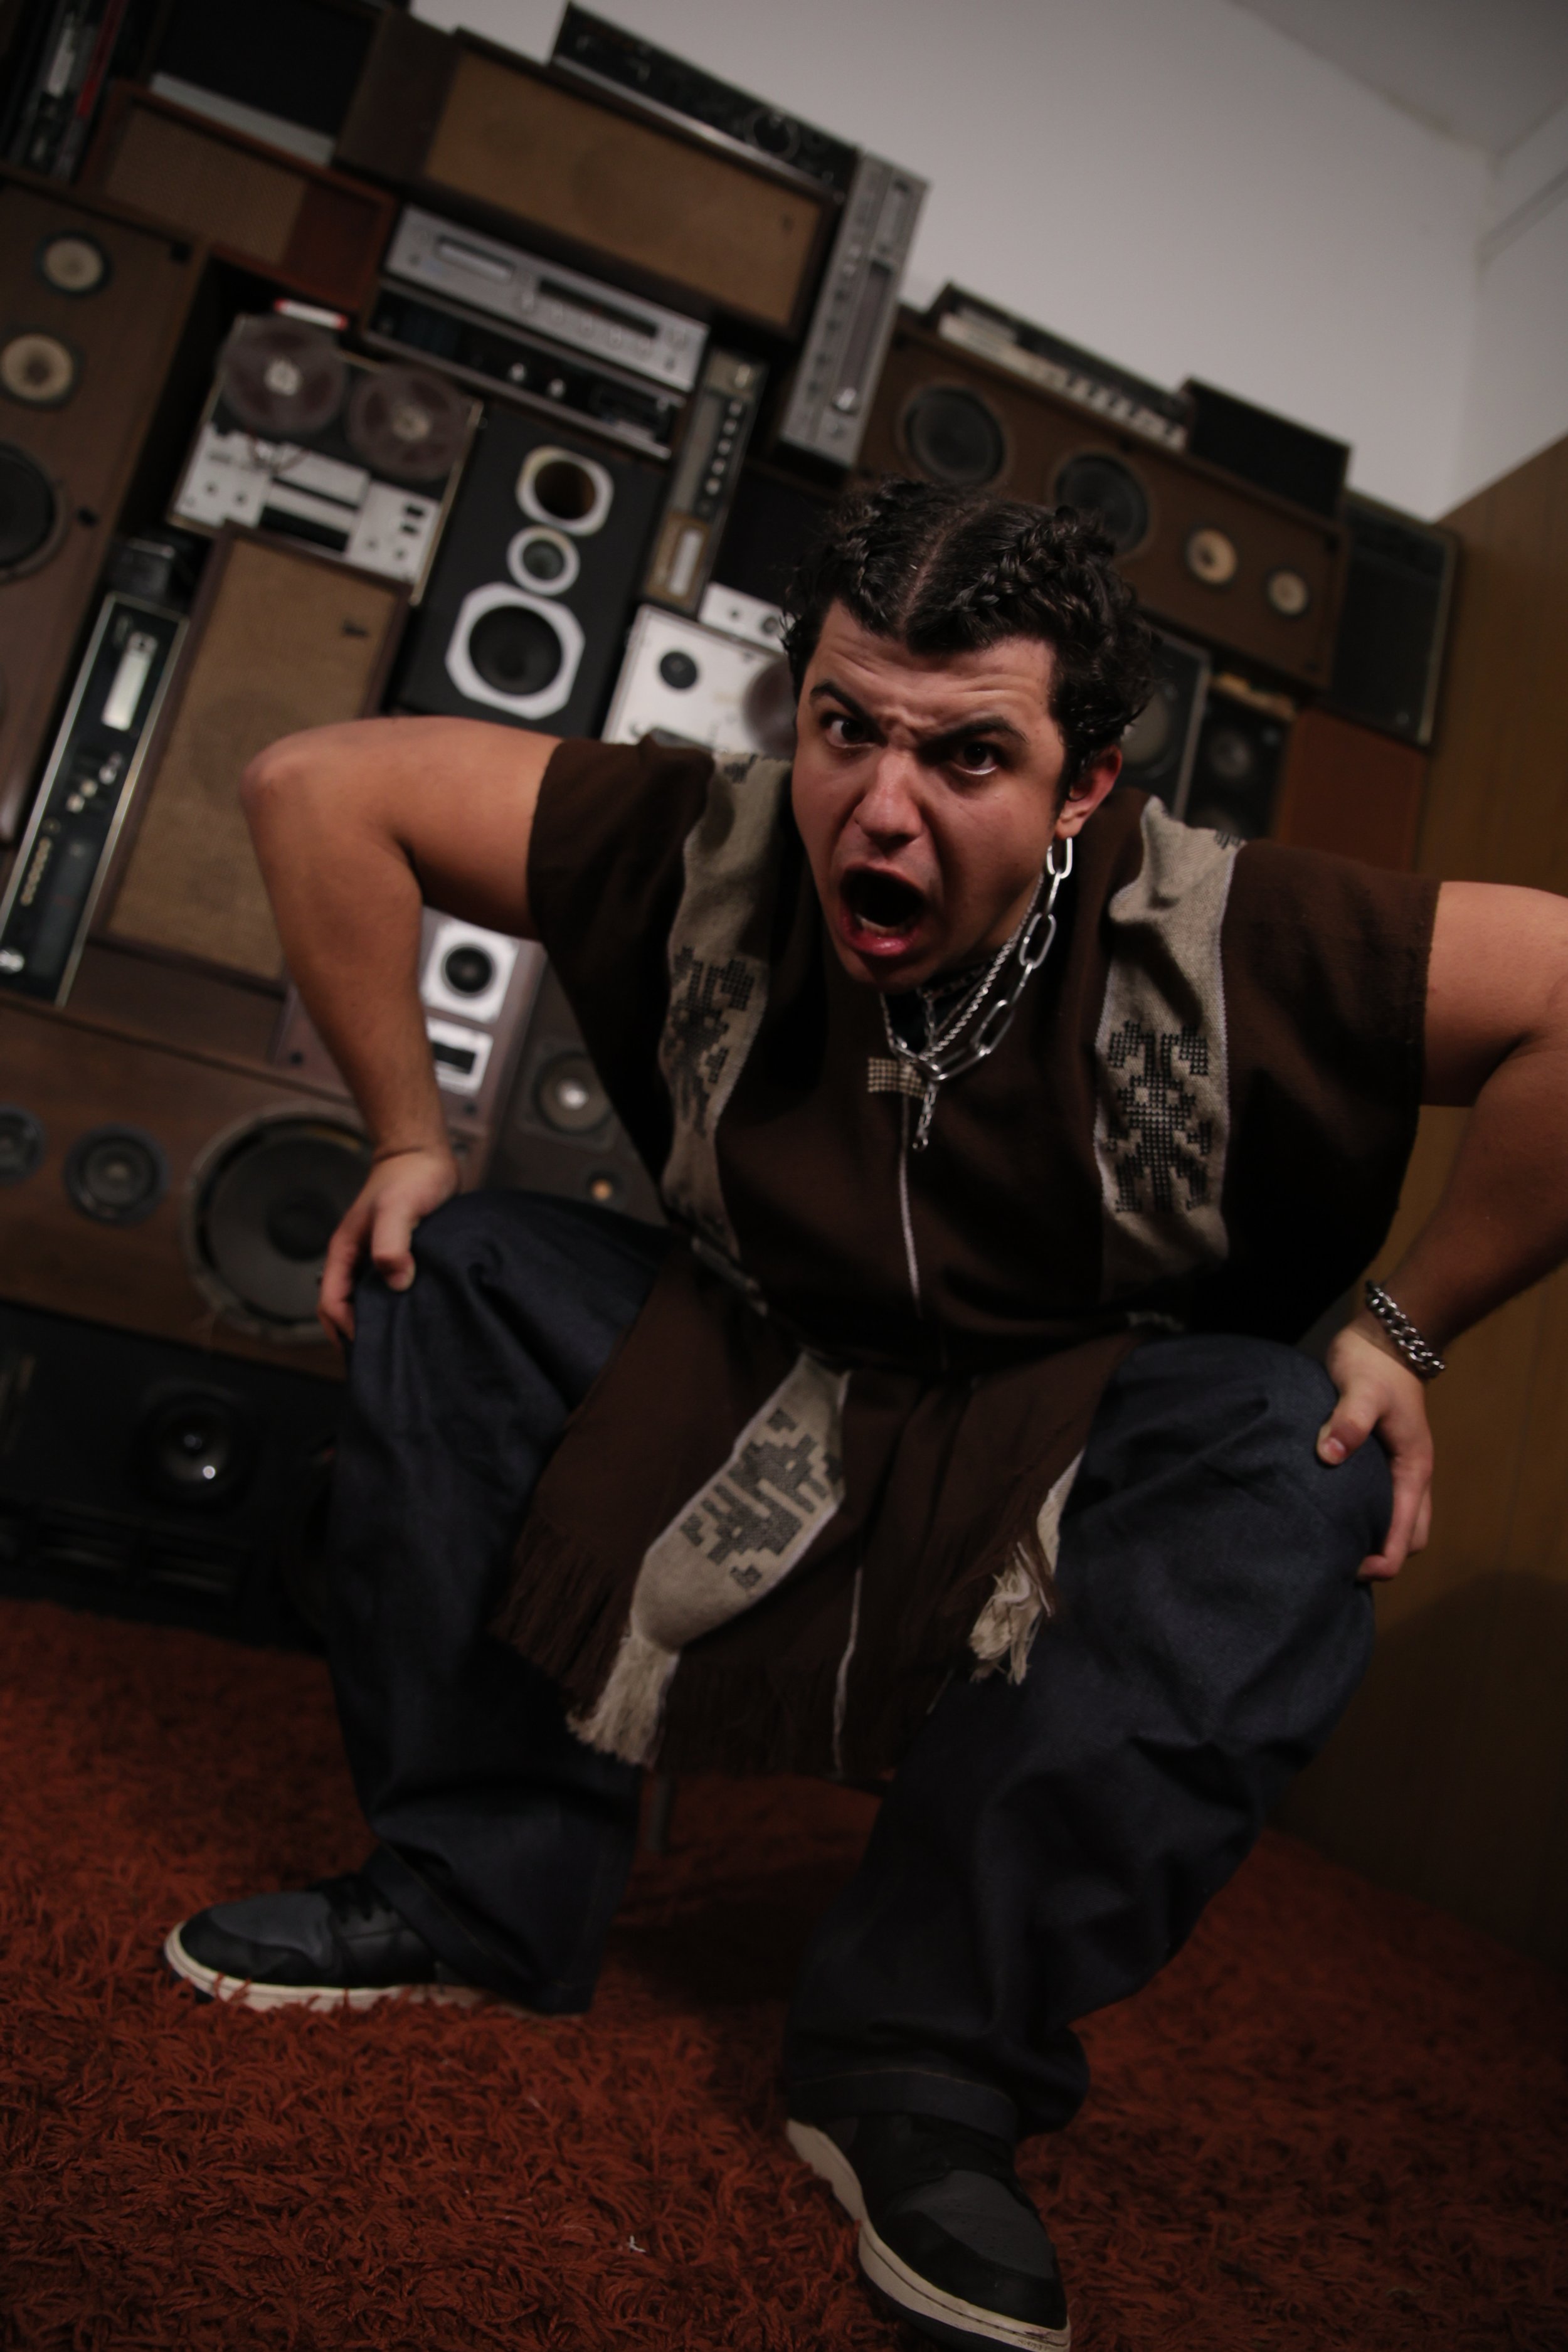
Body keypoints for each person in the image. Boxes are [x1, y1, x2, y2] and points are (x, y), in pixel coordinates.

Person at [164, 483, 1568, 2352]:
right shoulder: (712, 844)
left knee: (1286, 1457)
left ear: (1082, 788)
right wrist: (411, 1142)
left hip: (1059, 1430)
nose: (877, 809)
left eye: (966, 756)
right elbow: (313, 785)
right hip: (744, 1373)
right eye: (843, 730)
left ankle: (919, 2062)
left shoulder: (1226, 927)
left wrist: (1407, 1325)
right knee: (465, 1267)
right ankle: (471, 1901)